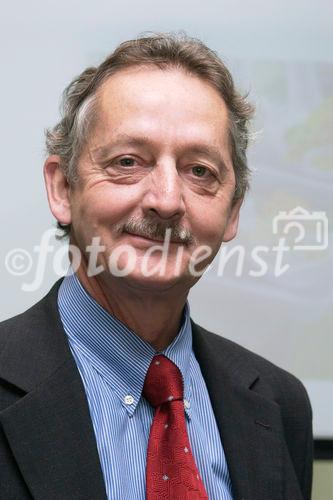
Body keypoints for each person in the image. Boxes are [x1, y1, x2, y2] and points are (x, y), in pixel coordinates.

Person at [0, 33, 313, 500]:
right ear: (63, 188)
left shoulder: (279, 404)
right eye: (128, 161)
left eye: (200, 170)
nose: (166, 200)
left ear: (233, 211)